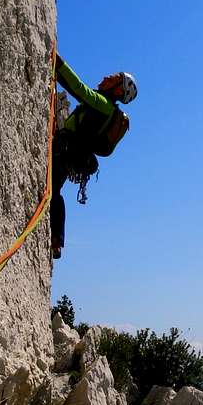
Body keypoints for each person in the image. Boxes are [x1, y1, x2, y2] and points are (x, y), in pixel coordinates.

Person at [51, 53, 137, 259]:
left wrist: (57, 62)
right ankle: (56, 240)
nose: (107, 76)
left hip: (65, 150)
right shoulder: (107, 109)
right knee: (54, 191)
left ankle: (57, 239)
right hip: (73, 154)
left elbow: (78, 89)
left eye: (114, 78)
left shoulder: (103, 104)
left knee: (52, 190)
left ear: (118, 90)